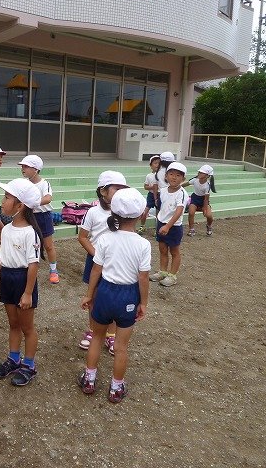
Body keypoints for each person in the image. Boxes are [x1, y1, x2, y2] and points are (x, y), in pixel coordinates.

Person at [78, 188, 150, 403]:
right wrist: (143, 303)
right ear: (140, 214)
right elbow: (143, 277)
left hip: (105, 292)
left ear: (114, 213)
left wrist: (89, 295)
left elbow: (96, 270)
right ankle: (116, 388)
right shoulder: (143, 244)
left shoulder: (105, 239)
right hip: (128, 296)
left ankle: (89, 379)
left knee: (97, 337)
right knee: (121, 347)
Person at [0, 178, 42, 387]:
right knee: (13, 323)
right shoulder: (6, 229)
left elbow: (33, 265)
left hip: (23, 280)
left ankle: (29, 365)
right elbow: (2, 259)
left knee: (27, 327)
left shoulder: (30, 233)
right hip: (7, 279)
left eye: (7, 198)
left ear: (20, 206)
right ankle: (13, 359)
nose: (3, 202)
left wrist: (28, 292)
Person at [77, 171, 128, 355]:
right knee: (93, 297)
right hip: (95, 261)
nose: (120, 193)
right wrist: (97, 255)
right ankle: (93, 331)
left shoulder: (124, 213)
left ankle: (111, 334)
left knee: (112, 298)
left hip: (116, 262)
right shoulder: (93, 212)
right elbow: (83, 237)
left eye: (123, 189)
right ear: (103, 191)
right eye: (116, 188)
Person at [18, 154, 59, 284]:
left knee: (48, 245)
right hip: (28, 216)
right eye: (22, 166)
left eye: (26, 166)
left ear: (36, 169)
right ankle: (26, 268)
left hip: (43, 217)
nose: (23, 169)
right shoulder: (24, 183)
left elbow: (48, 198)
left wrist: (33, 202)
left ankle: (53, 270)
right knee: (28, 244)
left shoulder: (44, 183)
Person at [149, 162, 188, 287]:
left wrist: (168, 226)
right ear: (166, 176)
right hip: (161, 223)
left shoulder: (182, 193)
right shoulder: (163, 190)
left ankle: (172, 276)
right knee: (162, 249)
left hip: (174, 226)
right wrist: (161, 223)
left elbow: (178, 211)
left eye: (178, 175)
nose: (174, 177)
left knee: (174, 251)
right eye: (171, 174)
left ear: (183, 179)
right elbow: (162, 207)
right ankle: (163, 272)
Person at [183, 164, 216, 237]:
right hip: (194, 198)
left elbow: (206, 198)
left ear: (207, 176)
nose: (199, 174)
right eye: (199, 172)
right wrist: (176, 186)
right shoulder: (195, 180)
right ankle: (191, 229)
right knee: (191, 213)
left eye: (202, 173)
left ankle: (209, 225)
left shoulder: (207, 185)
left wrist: (204, 208)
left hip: (203, 200)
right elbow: (185, 184)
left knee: (209, 216)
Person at [138, 155, 161, 234]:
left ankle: (157, 229)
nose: (157, 165)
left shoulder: (162, 175)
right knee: (145, 210)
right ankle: (142, 226)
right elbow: (145, 186)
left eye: (159, 163)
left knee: (158, 213)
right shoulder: (149, 176)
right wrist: (152, 187)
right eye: (155, 163)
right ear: (151, 165)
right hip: (151, 195)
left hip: (159, 195)